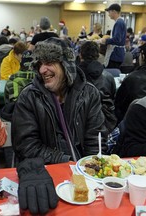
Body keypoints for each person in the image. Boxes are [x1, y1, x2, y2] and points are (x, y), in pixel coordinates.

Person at [12, 37, 108, 214]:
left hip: (83, 172)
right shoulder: (29, 97)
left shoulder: (89, 93)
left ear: (65, 64)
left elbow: (95, 138)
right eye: (39, 63)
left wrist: (91, 171)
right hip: (45, 174)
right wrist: (63, 161)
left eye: (49, 62)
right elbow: (26, 146)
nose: (42, 69)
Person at [78, 41, 117, 133]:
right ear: (98, 55)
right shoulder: (108, 76)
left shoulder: (74, 76)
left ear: (80, 55)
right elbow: (113, 97)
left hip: (79, 121)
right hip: (104, 123)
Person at [101, 3, 126, 69]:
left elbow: (117, 39)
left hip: (115, 54)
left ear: (114, 12)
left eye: (109, 12)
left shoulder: (119, 23)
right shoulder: (119, 22)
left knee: (111, 73)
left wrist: (105, 41)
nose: (108, 14)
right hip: (117, 53)